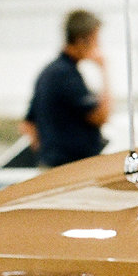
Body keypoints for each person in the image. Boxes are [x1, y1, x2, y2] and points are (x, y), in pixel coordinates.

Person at [21, 9, 111, 168]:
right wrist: (104, 70)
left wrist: (47, 155)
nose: (98, 45)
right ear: (84, 39)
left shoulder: (49, 72)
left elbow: (27, 125)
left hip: (54, 165)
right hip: (71, 168)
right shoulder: (66, 75)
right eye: (96, 39)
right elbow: (101, 116)